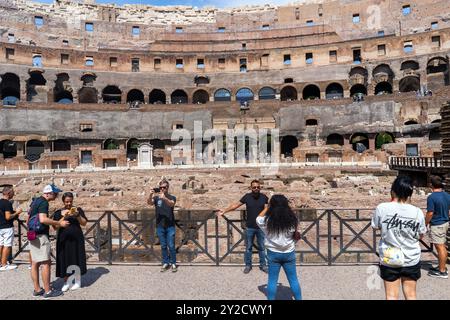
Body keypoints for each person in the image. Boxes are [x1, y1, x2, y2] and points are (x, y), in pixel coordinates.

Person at [371, 176, 427, 300]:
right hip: (411, 257)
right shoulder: (417, 212)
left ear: (393, 191)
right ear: (410, 193)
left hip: (390, 257)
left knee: (391, 296)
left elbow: (375, 226)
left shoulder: (382, 208)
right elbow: (421, 234)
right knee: (411, 295)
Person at [256, 194, 302, 300]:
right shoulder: (293, 220)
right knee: (293, 280)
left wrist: (268, 207)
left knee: (272, 281)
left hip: (273, 253)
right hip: (289, 253)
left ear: (272, 205)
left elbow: (258, 218)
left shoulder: (266, 221)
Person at [217, 180, 268, 273]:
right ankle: (248, 265)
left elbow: (268, 209)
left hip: (261, 227)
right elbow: (236, 205)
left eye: (258, 187)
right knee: (248, 247)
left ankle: (263, 265)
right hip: (250, 226)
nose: (256, 188)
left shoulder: (264, 197)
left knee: (262, 247)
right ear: (251, 188)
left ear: (260, 187)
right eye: (254, 187)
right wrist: (225, 210)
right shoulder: (247, 197)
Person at [29, 184, 69, 299]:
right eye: (55, 193)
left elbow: (28, 217)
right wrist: (58, 223)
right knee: (46, 263)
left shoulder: (35, 201)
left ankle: (37, 289)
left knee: (35, 263)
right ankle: (48, 291)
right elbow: (43, 219)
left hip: (33, 234)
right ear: (48, 193)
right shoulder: (44, 202)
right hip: (41, 236)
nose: (56, 196)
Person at [53, 192, 88, 291]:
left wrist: (77, 215)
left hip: (77, 239)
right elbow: (55, 227)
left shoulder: (78, 210)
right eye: (66, 202)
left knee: (76, 258)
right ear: (63, 201)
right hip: (63, 240)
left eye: (70, 201)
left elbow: (84, 223)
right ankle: (66, 282)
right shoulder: (58, 212)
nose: (69, 204)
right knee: (64, 259)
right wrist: (64, 216)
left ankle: (77, 281)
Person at [147, 179, 177, 272]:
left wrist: (164, 198)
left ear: (168, 188)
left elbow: (171, 204)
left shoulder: (172, 197)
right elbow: (149, 202)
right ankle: (165, 262)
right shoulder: (156, 198)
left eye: (164, 187)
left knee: (171, 245)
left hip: (170, 225)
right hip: (160, 226)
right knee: (163, 246)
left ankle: (173, 263)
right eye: (161, 187)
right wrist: (151, 194)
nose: (162, 189)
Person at [425, 176, 450, 279]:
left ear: (431, 185)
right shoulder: (447, 195)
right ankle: (441, 266)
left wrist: (425, 222)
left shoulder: (431, 197)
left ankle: (442, 271)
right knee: (442, 246)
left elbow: (430, 213)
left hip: (437, 224)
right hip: (445, 222)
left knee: (440, 248)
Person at [0, 186, 22, 271]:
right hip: (7, 227)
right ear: (8, 193)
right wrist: (17, 212)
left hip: (0, 227)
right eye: (13, 192)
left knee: (1, 244)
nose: (14, 194)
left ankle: (1, 263)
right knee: (7, 245)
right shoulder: (7, 203)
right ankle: (4, 264)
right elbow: (8, 217)